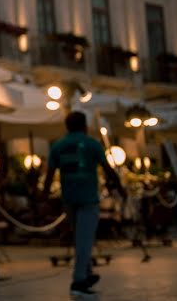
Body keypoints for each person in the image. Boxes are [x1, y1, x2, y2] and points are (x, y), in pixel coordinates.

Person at [41, 111, 125, 299]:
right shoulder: (92, 143)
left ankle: (86, 275)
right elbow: (107, 169)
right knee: (84, 241)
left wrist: (44, 198)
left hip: (69, 198)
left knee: (80, 237)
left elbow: (49, 175)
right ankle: (78, 282)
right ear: (85, 125)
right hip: (87, 198)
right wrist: (120, 188)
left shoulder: (58, 145)